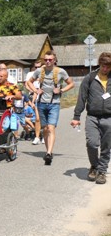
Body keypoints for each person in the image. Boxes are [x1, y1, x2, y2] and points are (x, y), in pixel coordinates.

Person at [25, 50, 74, 165]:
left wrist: (61, 90)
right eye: (46, 60)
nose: (47, 62)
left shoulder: (60, 71)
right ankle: (47, 150)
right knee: (45, 129)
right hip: (41, 103)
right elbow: (29, 82)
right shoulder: (39, 71)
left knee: (51, 128)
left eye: (50, 60)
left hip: (54, 104)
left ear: (54, 60)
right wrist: (35, 90)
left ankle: (49, 153)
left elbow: (71, 84)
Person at [71, 52, 111, 185]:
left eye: (108, 66)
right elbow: (82, 97)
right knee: (92, 143)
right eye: (103, 66)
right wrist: (77, 116)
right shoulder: (90, 77)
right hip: (92, 117)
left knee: (106, 146)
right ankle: (94, 166)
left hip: (109, 118)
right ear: (99, 64)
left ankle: (102, 171)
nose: (105, 69)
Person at [26, 60, 44, 144]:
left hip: (43, 97)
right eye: (35, 67)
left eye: (38, 67)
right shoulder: (30, 74)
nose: (36, 68)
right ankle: (37, 137)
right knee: (37, 118)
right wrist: (33, 90)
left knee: (42, 118)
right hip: (33, 96)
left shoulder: (44, 74)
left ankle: (44, 136)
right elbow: (27, 84)